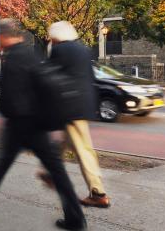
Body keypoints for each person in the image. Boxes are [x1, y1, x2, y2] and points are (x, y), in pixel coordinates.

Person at [0, 19, 86, 231]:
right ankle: (75, 219)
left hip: (21, 125)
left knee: (0, 166)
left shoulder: (14, 58)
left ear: (2, 36)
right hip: (38, 123)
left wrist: (6, 115)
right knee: (56, 172)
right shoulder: (31, 53)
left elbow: (12, 97)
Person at [38, 21, 110, 208]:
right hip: (82, 106)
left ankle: (98, 193)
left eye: (52, 37)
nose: (50, 40)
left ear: (57, 37)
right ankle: (50, 172)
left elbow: (49, 77)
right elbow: (91, 78)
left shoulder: (59, 50)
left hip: (70, 107)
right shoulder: (83, 50)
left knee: (83, 149)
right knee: (65, 142)